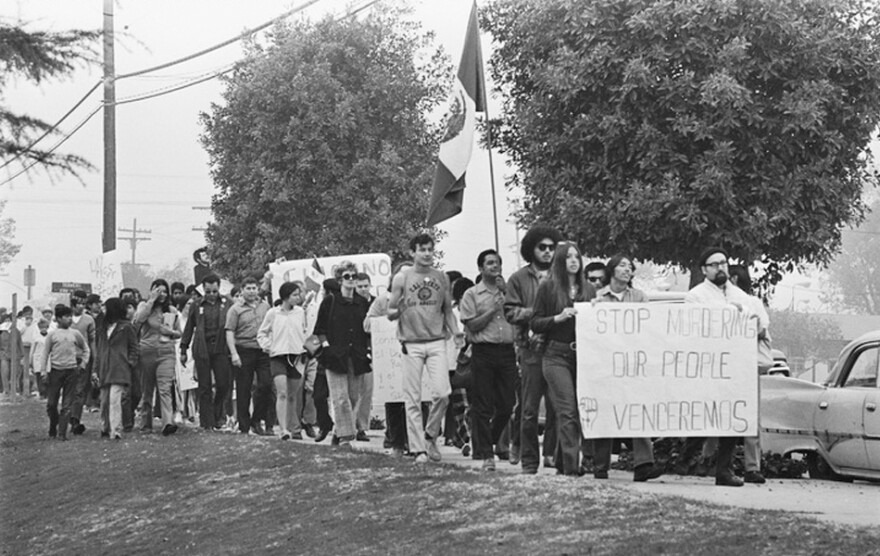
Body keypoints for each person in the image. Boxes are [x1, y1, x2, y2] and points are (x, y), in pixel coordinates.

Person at [387, 233, 464, 463]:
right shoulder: (402, 278)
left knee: (443, 393)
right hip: (411, 342)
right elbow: (390, 312)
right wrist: (399, 310)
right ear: (412, 253)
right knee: (413, 397)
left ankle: (430, 434)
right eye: (422, 250)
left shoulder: (441, 277)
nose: (427, 254)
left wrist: (456, 331)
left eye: (430, 249)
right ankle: (418, 449)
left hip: (437, 340)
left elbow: (448, 311)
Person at [679, 247, 752, 487]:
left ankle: (724, 470)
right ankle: (687, 458)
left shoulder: (740, 296)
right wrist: (727, 314)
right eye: (714, 264)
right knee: (704, 414)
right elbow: (694, 326)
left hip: (734, 365)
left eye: (723, 263)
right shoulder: (696, 295)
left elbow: (757, 322)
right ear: (704, 270)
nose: (720, 268)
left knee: (731, 417)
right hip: (707, 365)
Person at [591, 254, 664, 482]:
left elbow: (647, 328)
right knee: (605, 410)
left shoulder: (640, 297)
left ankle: (643, 464)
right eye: (622, 265)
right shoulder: (598, 298)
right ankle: (600, 465)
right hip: (605, 362)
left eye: (630, 267)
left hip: (633, 363)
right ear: (611, 270)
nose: (627, 270)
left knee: (637, 410)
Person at [530, 241, 596, 476]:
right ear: (560, 261)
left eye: (576, 257)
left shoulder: (588, 289)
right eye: (568, 257)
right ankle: (571, 466)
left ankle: (560, 460)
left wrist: (596, 311)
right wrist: (557, 318)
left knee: (576, 410)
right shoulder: (548, 287)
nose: (573, 261)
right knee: (567, 408)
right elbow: (535, 322)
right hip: (555, 355)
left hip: (582, 355)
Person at [505, 225, 561, 474]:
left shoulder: (561, 276)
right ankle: (529, 460)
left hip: (558, 349)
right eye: (542, 247)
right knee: (529, 409)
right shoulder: (518, 278)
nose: (548, 252)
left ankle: (551, 454)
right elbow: (509, 311)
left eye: (552, 248)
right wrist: (537, 314)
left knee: (557, 407)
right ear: (532, 249)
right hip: (530, 349)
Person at [460, 249, 517, 471]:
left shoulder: (509, 292)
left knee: (507, 404)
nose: (495, 266)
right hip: (483, 351)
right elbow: (471, 325)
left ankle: (487, 439)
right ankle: (486, 455)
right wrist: (494, 309)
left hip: (507, 351)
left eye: (497, 263)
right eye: (490, 263)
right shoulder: (472, 295)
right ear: (481, 268)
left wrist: (507, 298)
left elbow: (518, 316)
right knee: (482, 405)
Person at [314, 262, 372, 448]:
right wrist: (326, 346)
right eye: (347, 277)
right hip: (335, 356)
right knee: (340, 398)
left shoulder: (362, 303)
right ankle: (347, 437)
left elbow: (367, 330)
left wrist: (369, 350)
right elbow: (320, 329)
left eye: (354, 276)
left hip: (357, 356)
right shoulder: (330, 302)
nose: (351, 280)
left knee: (354, 397)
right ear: (340, 280)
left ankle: (339, 432)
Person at [365, 261, 413, 456]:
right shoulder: (382, 301)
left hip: (415, 354)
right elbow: (367, 325)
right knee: (394, 402)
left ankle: (416, 442)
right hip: (391, 359)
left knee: (417, 402)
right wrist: (382, 322)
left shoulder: (423, 299)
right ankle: (397, 444)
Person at [728, 264, 768, 485]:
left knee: (750, 415)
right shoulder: (717, 300)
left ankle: (752, 466)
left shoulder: (752, 303)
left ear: (733, 279)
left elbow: (763, 330)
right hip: (727, 364)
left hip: (746, 365)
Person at [180, 274, 233, 431]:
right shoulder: (196, 305)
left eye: (214, 291)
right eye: (208, 291)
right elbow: (189, 327)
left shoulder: (227, 303)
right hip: (202, 347)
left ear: (219, 289)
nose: (211, 294)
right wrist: (183, 349)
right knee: (204, 386)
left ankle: (218, 416)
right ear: (203, 289)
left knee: (223, 384)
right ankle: (206, 422)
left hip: (221, 347)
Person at [258, 281, 310, 440]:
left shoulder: (301, 312)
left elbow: (306, 330)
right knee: (282, 392)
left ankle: (293, 426)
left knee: (293, 395)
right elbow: (262, 333)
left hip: (297, 356)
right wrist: (268, 346)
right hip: (278, 356)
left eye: (298, 294)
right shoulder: (273, 313)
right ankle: (283, 429)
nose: (298, 297)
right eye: (295, 295)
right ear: (286, 297)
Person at [133, 279, 183, 436]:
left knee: (165, 388)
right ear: (152, 291)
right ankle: (145, 424)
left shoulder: (172, 310)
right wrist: (151, 301)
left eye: (164, 291)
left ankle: (167, 423)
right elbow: (137, 321)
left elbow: (179, 332)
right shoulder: (144, 306)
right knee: (147, 390)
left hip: (166, 352)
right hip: (147, 351)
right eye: (158, 291)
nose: (162, 294)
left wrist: (171, 332)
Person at [225, 276, 272, 435]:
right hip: (243, 349)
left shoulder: (265, 306)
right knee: (243, 389)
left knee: (265, 385)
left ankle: (257, 420)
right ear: (242, 290)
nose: (252, 291)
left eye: (254, 288)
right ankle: (244, 425)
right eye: (248, 288)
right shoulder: (235, 309)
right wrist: (234, 353)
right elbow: (229, 331)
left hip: (263, 351)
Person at [40, 305, 89, 440]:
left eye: (70, 316)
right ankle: (53, 425)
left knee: (67, 405)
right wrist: (43, 371)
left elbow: (86, 349)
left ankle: (62, 433)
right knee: (51, 404)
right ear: (59, 319)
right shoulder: (52, 335)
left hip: (71, 371)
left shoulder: (75, 334)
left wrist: (83, 364)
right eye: (66, 317)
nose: (69, 319)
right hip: (56, 372)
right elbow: (45, 354)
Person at [94, 298, 139, 440]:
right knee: (105, 400)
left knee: (115, 399)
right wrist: (95, 368)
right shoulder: (101, 328)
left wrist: (130, 362)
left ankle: (116, 430)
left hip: (119, 368)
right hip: (104, 367)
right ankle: (105, 427)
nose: (103, 310)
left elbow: (134, 347)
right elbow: (98, 349)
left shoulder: (126, 327)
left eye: (106, 308)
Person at [69, 292, 97, 435]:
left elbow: (92, 340)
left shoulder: (89, 320)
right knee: (69, 390)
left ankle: (75, 419)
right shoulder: (65, 319)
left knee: (80, 390)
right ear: (72, 304)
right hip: (66, 359)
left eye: (83, 303)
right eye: (78, 303)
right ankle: (67, 417)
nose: (80, 306)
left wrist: (94, 357)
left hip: (82, 358)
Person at [353, 272, 375, 441]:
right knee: (353, 392)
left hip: (374, 350)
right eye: (359, 286)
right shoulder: (350, 304)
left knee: (367, 391)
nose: (362, 289)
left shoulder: (377, 303)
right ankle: (350, 425)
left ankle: (362, 427)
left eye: (365, 286)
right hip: (355, 351)